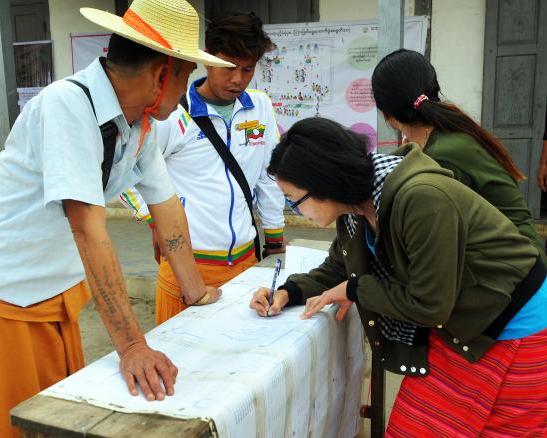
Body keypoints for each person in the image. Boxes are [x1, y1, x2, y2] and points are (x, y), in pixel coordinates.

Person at [0, 1, 234, 437]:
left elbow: (167, 207)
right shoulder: (67, 106)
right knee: (14, 428)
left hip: (56, 292)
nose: (185, 91)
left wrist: (196, 292)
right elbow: (88, 229)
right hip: (7, 293)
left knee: (57, 422)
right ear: (163, 76)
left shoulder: (142, 123)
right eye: (184, 77)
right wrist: (131, 345)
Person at [249, 118, 547, 436]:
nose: (294, 210)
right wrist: (288, 292)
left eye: (294, 200)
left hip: (512, 322)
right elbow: (339, 267)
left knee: (501, 428)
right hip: (464, 320)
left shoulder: (421, 198)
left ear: (324, 186)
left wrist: (355, 289)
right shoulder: (356, 208)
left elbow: (429, 304)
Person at [121, 12, 286, 324]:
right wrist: (154, 220)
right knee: (183, 366)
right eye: (228, 68)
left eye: (247, 69)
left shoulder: (260, 107)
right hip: (188, 266)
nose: (237, 78)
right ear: (207, 58)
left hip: (247, 264)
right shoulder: (172, 114)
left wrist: (275, 238)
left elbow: (268, 175)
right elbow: (127, 176)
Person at [371, 49, 544, 258]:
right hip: (520, 255)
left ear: (386, 115)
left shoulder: (438, 157)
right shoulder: (447, 130)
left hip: (515, 268)